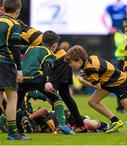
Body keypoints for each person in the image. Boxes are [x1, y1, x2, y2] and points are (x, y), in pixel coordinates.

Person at [64, 45, 127, 134]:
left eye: (71, 62)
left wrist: (83, 81)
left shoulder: (89, 68)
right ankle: (115, 121)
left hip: (119, 83)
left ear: (79, 60)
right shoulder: (90, 59)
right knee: (92, 101)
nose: (70, 65)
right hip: (109, 83)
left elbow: (97, 86)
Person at [17, 30, 73, 134]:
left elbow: (17, 48)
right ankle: (62, 125)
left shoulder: (30, 48)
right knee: (56, 98)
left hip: (22, 78)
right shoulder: (49, 52)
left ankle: (11, 127)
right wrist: (48, 81)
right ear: (54, 45)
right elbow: (47, 66)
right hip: (36, 78)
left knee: (16, 103)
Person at [0, 0, 30, 140]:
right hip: (6, 63)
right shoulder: (14, 24)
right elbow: (15, 47)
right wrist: (19, 69)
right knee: (12, 97)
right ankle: (12, 132)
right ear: (17, 11)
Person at [49, 42, 88, 133]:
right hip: (61, 65)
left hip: (59, 65)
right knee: (64, 96)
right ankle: (79, 124)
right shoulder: (64, 56)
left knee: (55, 96)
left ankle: (61, 124)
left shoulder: (60, 56)